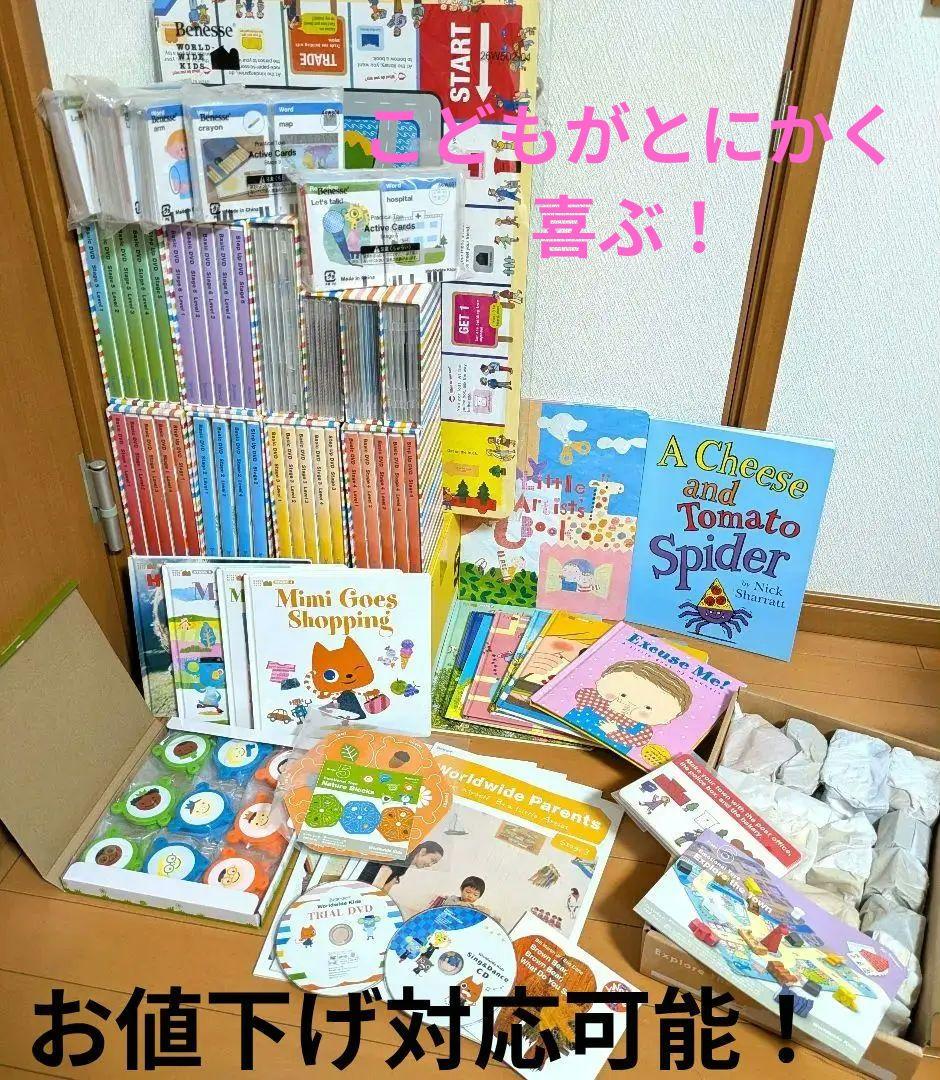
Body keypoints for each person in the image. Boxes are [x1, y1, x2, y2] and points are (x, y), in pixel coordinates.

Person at [358, 841, 444, 889]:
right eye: (432, 860)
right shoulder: (402, 859)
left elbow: (387, 884)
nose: (430, 865)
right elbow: (380, 880)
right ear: (423, 852)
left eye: (434, 863)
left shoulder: (406, 863)